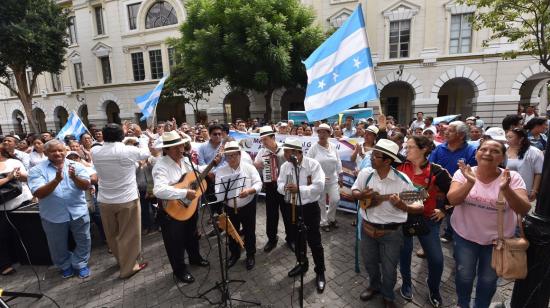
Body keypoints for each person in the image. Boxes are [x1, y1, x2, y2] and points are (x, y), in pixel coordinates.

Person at [447, 139, 531, 308]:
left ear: (502, 158)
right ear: (476, 154)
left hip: (497, 242)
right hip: (465, 237)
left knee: (488, 280)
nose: (487, 153)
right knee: (464, 276)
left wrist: (506, 189)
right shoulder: (463, 173)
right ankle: (463, 304)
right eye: (483, 149)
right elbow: (453, 199)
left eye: (494, 151)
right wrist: (470, 182)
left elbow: (524, 208)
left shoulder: (512, 177)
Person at [352, 139, 423, 308]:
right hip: (368, 229)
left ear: (387, 161)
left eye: (376, 155)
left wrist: (403, 206)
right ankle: (374, 286)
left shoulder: (402, 180)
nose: (371, 157)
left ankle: (388, 295)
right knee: (369, 263)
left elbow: (419, 205)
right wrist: (360, 195)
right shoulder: (366, 173)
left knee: (389, 269)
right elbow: (354, 190)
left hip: (391, 233)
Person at [397, 136, 452, 307]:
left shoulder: (437, 171)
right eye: (406, 146)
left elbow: (455, 194)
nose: (406, 150)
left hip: (427, 220)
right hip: (402, 218)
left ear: (423, 149)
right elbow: (385, 150)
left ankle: (433, 288)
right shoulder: (399, 165)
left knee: (436, 259)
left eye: (411, 147)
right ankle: (406, 283)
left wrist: (444, 210)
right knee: (404, 255)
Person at [91, 124, 150, 278]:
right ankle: (129, 268)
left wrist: (125, 138)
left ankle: (121, 261)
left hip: (104, 201)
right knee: (129, 235)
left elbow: (112, 149)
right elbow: (146, 153)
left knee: (112, 235)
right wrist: (139, 137)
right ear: (121, 136)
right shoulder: (128, 151)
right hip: (127, 200)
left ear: (103, 136)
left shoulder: (95, 151)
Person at [28, 140, 92, 279]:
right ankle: (65, 265)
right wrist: (56, 180)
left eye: (60, 150)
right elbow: (39, 193)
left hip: (78, 211)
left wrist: (74, 177)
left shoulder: (76, 165)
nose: (57, 153)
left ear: (65, 151)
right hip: (53, 215)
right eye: (53, 151)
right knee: (57, 245)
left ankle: (81, 263)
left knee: (84, 240)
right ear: (45, 153)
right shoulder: (36, 170)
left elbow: (86, 185)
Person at [152, 131, 210, 283]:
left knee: (192, 236)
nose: (180, 150)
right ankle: (180, 271)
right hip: (171, 213)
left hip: (189, 208)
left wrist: (214, 165)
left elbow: (198, 169)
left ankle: (195, 258)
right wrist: (184, 192)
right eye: (175, 147)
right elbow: (158, 190)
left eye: (181, 146)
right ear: (166, 150)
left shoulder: (185, 160)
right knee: (175, 244)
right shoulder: (161, 166)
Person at [277, 138, 327, 293]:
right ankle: (302, 264)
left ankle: (320, 271)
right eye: (284, 151)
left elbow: (319, 186)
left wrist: (299, 189)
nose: (285, 155)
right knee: (298, 239)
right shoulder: (286, 166)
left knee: (314, 241)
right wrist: (285, 187)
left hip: (310, 208)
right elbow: (279, 183)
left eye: (287, 152)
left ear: (298, 153)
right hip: (292, 207)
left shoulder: (313, 164)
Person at [215, 141, 262, 270]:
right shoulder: (221, 171)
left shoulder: (249, 167)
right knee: (232, 232)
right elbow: (218, 193)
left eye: (234, 155)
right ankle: (234, 254)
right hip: (230, 207)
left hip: (248, 205)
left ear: (240, 154)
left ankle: (250, 254)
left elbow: (258, 183)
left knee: (249, 231)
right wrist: (224, 194)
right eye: (228, 156)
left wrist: (249, 191)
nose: (231, 159)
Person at [429, 121, 477, 243]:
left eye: (450, 130)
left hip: (460, 191)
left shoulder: (471, 151)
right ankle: (429, 244)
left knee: (457, 219)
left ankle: (454, 237)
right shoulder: (439, 148)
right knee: (434, 218)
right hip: (439, 191)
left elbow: (473, 173)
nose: (445, 132)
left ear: (461, 135)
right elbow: (431, 169)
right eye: (446, 129)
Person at [254, 126, 295, 252]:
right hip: (271, 186)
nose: (263, 143)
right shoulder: (262, 152)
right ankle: (272, 239)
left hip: (286, 184)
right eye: (261, 140)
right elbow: (255, 163)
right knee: (271, 214)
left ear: (273, 137)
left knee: (288, 213)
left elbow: (294, 163)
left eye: (265, 139)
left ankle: (291, 238)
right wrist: (259, 164)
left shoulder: (284, 149)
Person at [0, 143, 33, 276]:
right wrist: (8, 178)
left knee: (25, 232)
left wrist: (18, 175)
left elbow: (27, 178)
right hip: (1, 208)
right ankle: (4, 263)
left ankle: (27, 256)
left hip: (21, 202)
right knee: (2, 236)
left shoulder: (14, 161)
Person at [306, 124, 342, 232]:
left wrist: (340, 175)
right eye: (319, 132)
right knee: (321, 202)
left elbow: (338, 162)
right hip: (319, 180)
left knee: (335, 199)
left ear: (329, 133)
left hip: (333, 178)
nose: (322, 134)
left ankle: (331, 218)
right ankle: (323, 221)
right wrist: (310, 178)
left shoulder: (333, 146)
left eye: (324, 132)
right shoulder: (313, 148)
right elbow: (307, 163)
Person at [505, 128, 543, 201]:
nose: (507, 140)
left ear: (521, 139)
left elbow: (538, 173)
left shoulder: (534, 152)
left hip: (522, 190)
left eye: (510, 137)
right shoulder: (504, 149)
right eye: (506, 137)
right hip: (505, 189)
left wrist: (534, 190)